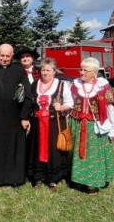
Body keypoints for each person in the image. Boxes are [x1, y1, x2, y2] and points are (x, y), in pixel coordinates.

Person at [69, 57, 114, 194]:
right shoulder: (75, 85)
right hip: (77, 124)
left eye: (85, 70)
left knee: (94, 155)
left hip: (95, 127)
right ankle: (78, 179)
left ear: (94, 72)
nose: (81, 72)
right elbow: (68, 103)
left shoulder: (103, 86)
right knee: (76, 153)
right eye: (80, 69)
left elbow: (111, 108)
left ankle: (93, 183)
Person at [0, 43, 32, 187]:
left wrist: (24, 117)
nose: (4, 59)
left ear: (12, 56)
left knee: (13, 148)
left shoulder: (19, 71)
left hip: (15, 118)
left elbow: (27, 94)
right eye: (2, 55)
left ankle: (13, 178)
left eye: (7, 56)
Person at [28, 57, 74, 191]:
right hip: (37, 123)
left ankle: (53, 179)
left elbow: (70, 103)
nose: (45, 73)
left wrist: (62, 107)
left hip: (54, 123)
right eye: (43, 70)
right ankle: (38, 177)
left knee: (53, 150)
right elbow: (30, 103)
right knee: (37, 149)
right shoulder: (35, 84)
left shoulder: (62, 85)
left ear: (54, 71)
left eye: (48, 70)